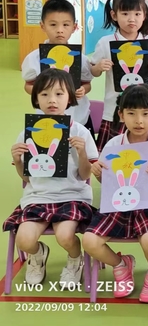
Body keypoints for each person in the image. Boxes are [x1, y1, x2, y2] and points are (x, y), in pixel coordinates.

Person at [83, 84, 148, 303]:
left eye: (145, 114)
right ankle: (120, 265)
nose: (139, 121)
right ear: (121, 115)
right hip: (118, 202)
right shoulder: (113, 145)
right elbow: (108, 182)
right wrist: (98, 173)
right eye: (131, 113)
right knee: (89, 240)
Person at [4, 69, 98, 286]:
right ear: (36, 98)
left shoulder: (80, 132)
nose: (52, 100)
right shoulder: (28, 133)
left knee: (65, 236)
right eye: (45, 94)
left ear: (70, 97)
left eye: (59, 94)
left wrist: (82, 153)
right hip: (38, 197)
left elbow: (85, 175)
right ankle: (38, 255)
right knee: (24, 240)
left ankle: (75, 260)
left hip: (72, 196)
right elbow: (27, 178)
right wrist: (18, 160)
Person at [90, 0, 148, 151]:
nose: (132, 19)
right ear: (114, 15)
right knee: (113, 156)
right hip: (115, 110)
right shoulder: (105, 42)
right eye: (125, 14)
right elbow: (93, 72)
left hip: (143, 110)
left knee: (146, 155)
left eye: (137, 14)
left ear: (144, 15)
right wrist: (99, 67)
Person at [21, 0, 94, 134]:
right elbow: (28, 85)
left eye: (66, 25)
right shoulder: (33, 58)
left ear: (74, 27)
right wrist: (42, 92)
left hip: (79, 118)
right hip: (48, 118)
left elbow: (87, 84)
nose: (60, 30)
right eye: (53, 25)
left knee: (82, 146)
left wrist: (83, 90)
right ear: (43, 26)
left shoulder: (81, 58)